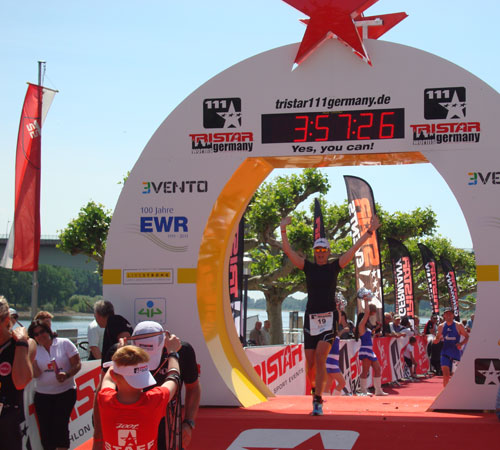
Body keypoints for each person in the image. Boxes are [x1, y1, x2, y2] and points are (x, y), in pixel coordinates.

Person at [280, 213, 381, 415]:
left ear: (328, 252)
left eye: (323, 250)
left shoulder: (334, 267)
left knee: (320, 357)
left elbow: (353, 250)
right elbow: (288, 251)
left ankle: (318, 400)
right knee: (310, 366)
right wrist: (283, 229)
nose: (320, 253)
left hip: (328, 319)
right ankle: (315, 392)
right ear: (314, 252)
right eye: (317, 250)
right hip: (310, 319)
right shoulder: (307, 267)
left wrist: (369, 232)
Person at [120, 321, 201, 449]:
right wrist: (98, 435)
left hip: (170, 424)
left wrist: (189, 422)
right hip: (133, 423)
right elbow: (103, 390)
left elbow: (193, 387)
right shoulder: (120, 353)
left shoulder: (184, 351)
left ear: (165, 341)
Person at [97, 338, 181, 450]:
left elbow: (109, 378)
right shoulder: (155, 400)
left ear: (114, 375)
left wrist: (120, 355)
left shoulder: (105, 399)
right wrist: (172, 352)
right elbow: (174, 378)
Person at [28, 319, 81, 450]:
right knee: (45, 431)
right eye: (36, 334)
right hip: (42, 394)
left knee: (60, 426)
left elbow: (77, 364)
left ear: (48, 331)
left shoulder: (64, 343)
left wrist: (67, 375)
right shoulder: (34, 350)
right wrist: (28, 358)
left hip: (65, 392)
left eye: (42, 332)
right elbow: (36, 374)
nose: (40, 336)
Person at [0, 296, 36, 450]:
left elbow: (21, 381)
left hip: (11, 419)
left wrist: (21, 343)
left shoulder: (24, 344)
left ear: (6, 319)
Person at [355, 291, 388, 396]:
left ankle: (378, 390)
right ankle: (363, 390)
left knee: (378, 368)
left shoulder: (366, 328)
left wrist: (375, 333)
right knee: (365, 371)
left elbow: (370, 334)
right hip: (365, 350)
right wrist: (366, 302)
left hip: (370, 350)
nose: (367, 318)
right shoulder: (361, 326)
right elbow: (366, 314)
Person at [434, 307, 469, 387]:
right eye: (447, 314)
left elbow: (467, 337)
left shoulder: (458, 325)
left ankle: (454, 394)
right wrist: (436, 341)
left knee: (454, 377)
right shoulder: (441, 326)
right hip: (445, 353)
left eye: (450, 314)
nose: (448, 315)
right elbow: (437, 338)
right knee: (446, 375)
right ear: (444, 316)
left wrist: (461, 343)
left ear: (453, 315)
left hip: (455, 353)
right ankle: (445, 395)